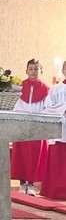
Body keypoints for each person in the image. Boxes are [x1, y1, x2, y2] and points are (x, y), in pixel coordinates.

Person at [11, 59, 50, 195]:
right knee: (21, 154)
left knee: (35, 156)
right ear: (26, 71)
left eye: (36, 69)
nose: (33, 72)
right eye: (31, 69)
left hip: (37, 126)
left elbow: (47, 108)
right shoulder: (19, 87)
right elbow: (15, 105)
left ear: (41, 71)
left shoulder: (46, 90)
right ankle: (22, 184)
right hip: (22, 124)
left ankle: (32, 185)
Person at [40, 60, 66, 199]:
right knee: (58, 162)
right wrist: (63, 109)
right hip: (60, 129)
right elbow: (49, 107)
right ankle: (56, 191)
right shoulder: (56, 89)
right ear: (63, 70)